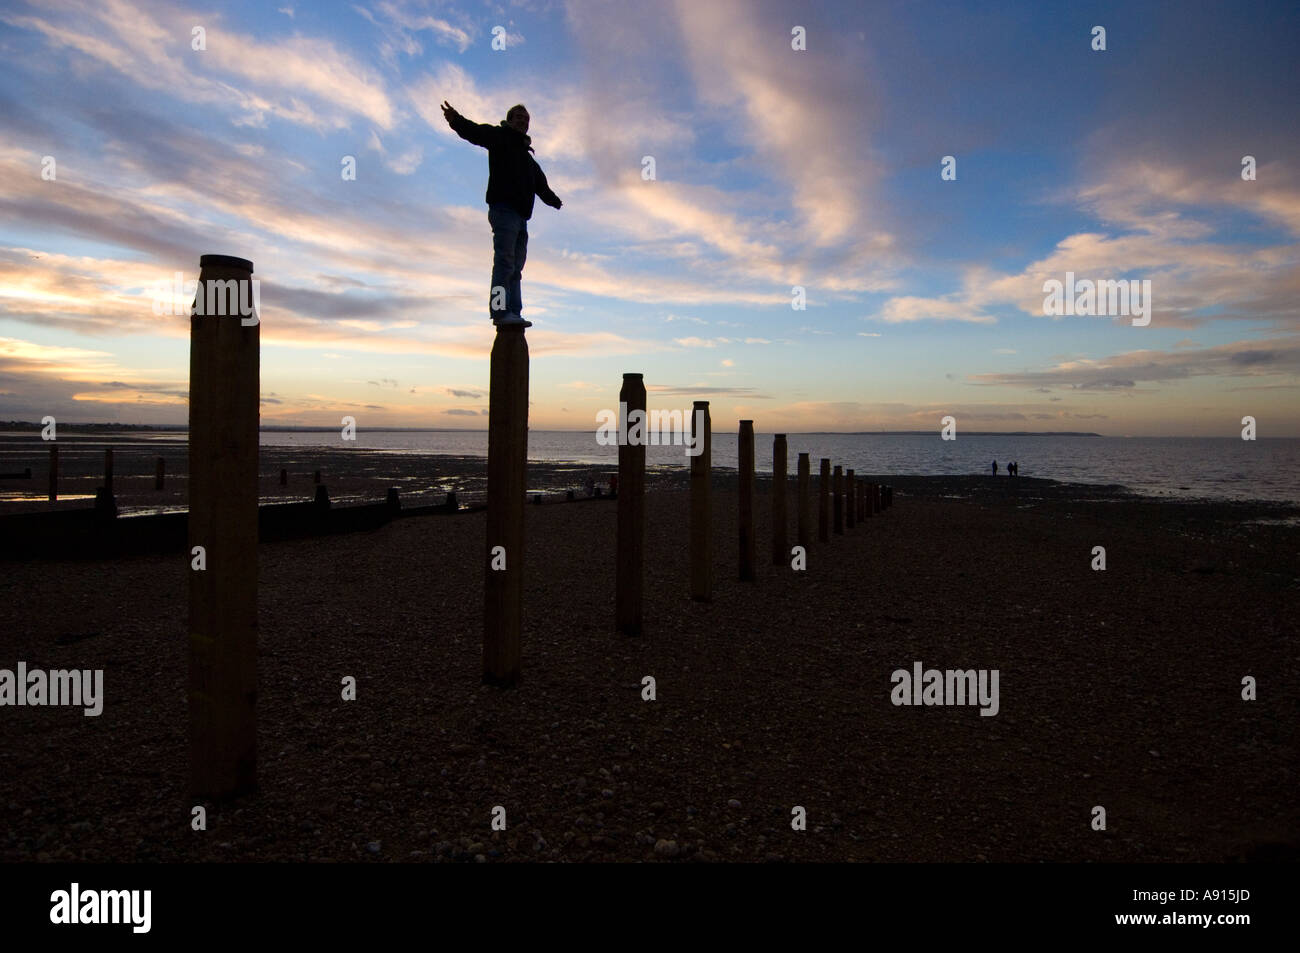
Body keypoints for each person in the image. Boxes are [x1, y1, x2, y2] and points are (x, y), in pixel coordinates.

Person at [441, 101, 562, 328]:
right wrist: (455, 120)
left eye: (526, 119)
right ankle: (499, 311)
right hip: (503, 210)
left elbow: (541, 185)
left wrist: (553, 200)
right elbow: (474, 132)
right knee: (504, 262)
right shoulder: (499, 137)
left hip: (522, 217)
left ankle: (514, 312)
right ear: (509, 120)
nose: (523, 122)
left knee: (516, 267)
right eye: (519, 117)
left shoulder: (528, 159)